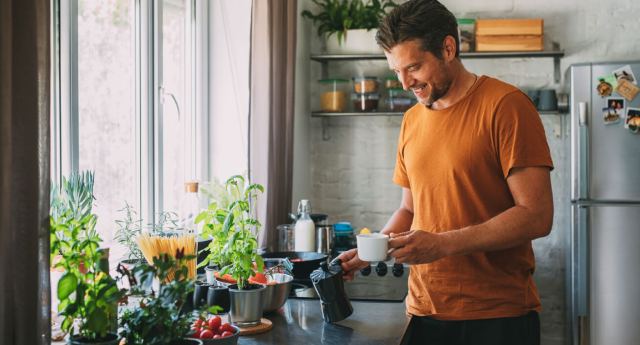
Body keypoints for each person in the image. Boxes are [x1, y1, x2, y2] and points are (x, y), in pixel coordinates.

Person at [337, 1, 554, 344]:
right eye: (396, 71)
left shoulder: (506, 106)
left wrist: (442, 244)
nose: (405, 82)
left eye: (414, 67)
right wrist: (369, 252)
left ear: (448, 48)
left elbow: (537, 216)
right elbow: (410, 208)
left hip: (497, 315)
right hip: (423, 311)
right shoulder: (411, 120)